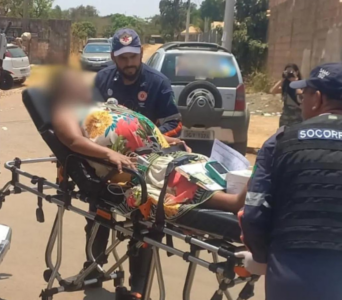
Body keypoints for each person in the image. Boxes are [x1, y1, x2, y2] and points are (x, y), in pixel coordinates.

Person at [49, 68, 246, 300]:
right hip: (126, 166)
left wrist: (168, 140)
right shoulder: (64, 111)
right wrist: (109, 155)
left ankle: (237, 189)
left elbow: (139, 128)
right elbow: (73, 140)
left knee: (194, 162)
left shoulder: (101, 105)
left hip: (153, 151)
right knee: (171, 175)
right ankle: (233, 202)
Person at [237, 62, 342, 300]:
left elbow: (253, 214)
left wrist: (263, 259)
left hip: (293, 273)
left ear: (318, 98)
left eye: (304, 95)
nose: (301, 100)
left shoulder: (280, 142)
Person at [94, 28, 183, 138]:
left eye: (133, 56)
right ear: (113, 57)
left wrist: (145, 138)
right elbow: (88, 117)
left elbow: (174, 123)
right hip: (108, 149)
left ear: (141, 53)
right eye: (123, 58)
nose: (129, 63)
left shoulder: (158, 83)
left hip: (147, 150)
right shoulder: (102, 79)